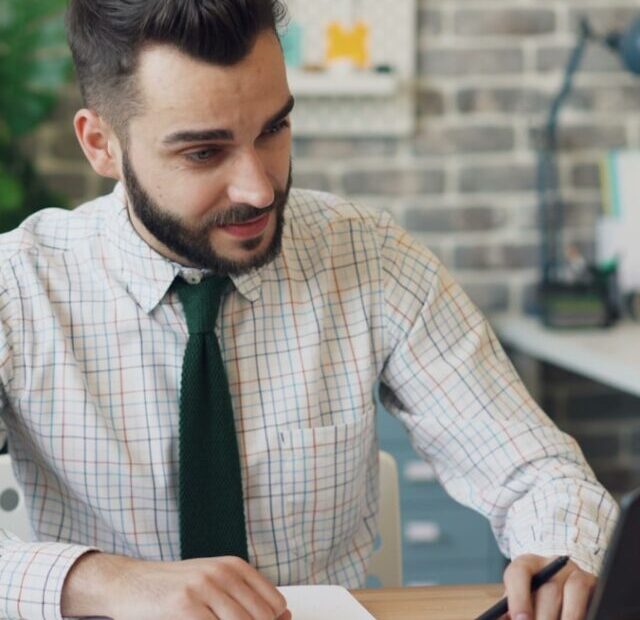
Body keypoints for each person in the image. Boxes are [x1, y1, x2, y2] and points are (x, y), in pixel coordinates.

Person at [0, 1, 618, 619]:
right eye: (203, 153)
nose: (260, 188)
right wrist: (107, 582)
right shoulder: (18, 287)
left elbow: (538, 471)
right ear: (100, 144)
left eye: (272, 130)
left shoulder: (373, 259)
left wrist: (561, 551)